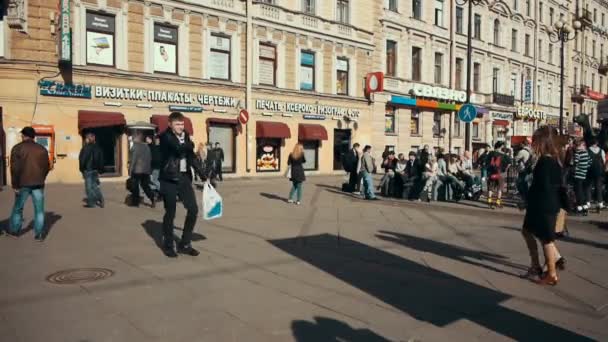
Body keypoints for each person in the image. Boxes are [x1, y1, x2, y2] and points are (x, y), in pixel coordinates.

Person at [521, 126, 567, 285]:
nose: (533, 144)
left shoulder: (545, 161)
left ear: (543, 142)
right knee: (532, 233)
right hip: (549, 204)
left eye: (535, 141)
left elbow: (541, 186)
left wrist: (527, 200)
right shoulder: (555, 159)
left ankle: (550, 273)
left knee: (545, 238)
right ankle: (541, 265)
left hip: (541, 205)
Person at [159, 112, 208, 258]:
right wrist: (190, 144)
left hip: (184, 178)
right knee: (170, 213)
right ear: (170, 125)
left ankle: (185, 243)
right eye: (177, 124)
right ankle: (168, 245)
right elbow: (178, 149)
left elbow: (191, 157)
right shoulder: (165, 137)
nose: (180, 127)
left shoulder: (185, 136)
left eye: (182, 124)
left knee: (193, 209)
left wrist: (202, 174)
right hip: (168, 179)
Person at [7, 127, 50, 241]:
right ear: (33, 136)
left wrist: (15, 185)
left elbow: (15, 169)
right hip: (38, 184)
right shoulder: (42, 149)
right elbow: (47, 167)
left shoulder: (17, 148)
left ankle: (15, 231)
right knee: (39, 210)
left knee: (18, 208)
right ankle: (39, 234)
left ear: (24, 135)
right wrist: (42, 178)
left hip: (23, 184)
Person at [128, 131, 155, 208]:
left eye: (133, 137)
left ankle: (135, 202)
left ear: (137, 138)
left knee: (135, 186)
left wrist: (130, 170)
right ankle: (152, 198)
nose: (132, 139)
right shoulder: (146, 146)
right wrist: (149, 169)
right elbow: (150, 158)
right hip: (146, 170)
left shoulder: (135, 147)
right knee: (145, 186)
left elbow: (133, 159)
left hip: (137, 170)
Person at [79, 131, 105, 208]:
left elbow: (82, 159)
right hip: (95, 170)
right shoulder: (98, 147)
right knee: (94, 186)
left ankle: (91, 203)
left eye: (87, 138)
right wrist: (100, 169)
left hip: (88, 170)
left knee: (88, 187)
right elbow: (101, 159)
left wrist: (82, 169)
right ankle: (100, 198)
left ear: (88, 139)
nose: (86, 139)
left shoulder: (86, 148)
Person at [485, 142, 510, 209]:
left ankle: (489, 201)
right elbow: (509, 163)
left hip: (492, 173)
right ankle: (497, 203)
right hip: (500, 174)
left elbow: (486, 162)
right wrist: (505, 170)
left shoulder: (490, 153)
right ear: (501, 146)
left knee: (490, 188)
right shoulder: (504, 155)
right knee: (499, 189)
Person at [587, 138, 605, 212]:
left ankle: (588, 202)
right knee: (598, 187)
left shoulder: (588, 150)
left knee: (588, 186)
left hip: (589, 170)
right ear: (597, 143)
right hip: (599, 171)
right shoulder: (601, 151)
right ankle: (600, 202)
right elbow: (603, 161)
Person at [515, 138, 534, 209]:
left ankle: (525, 201)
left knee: (521, 186)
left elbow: (515, 159)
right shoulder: (531, 151)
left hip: (522, 169)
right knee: (527, 185)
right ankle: (527, 200)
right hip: (529, 170)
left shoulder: (522, 151)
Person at [573, 139, 590, 215]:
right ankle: (585, 207)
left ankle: (579, 207)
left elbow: (575, 163)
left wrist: (576, 168)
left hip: (578, 175)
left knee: (578, 191)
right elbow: (590, 162)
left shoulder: (577, 153)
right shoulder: (587, 153)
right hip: (584, 175)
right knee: (584, 191)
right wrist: (585, 168)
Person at [149, 135, 162, 200]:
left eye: (157, 140)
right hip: (153, 167)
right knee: (152, 180)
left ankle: (162, 191)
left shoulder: (160, 148)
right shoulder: (155, 147)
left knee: (154, 180)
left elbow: (156, 158)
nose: (156, 141)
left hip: (157, 167)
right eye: (156, 140)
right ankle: (156, 193)